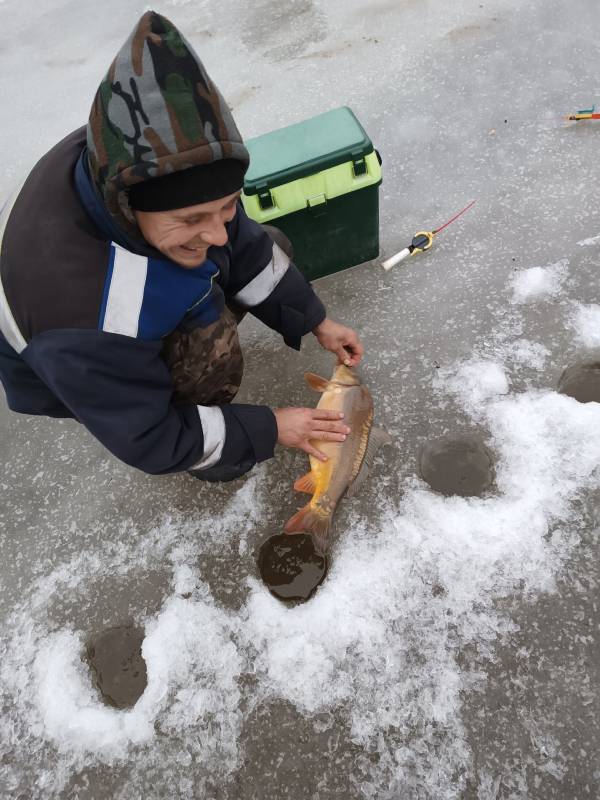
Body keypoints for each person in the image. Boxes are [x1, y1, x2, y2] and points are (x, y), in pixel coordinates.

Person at [0, 11, 363, 482]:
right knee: (209, 362)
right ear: (128, 205)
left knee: (269, 242)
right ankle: (214, 453)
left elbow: (243, 242)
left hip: (123, 298)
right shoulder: (86, 317)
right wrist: (268, 428)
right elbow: (150, 438)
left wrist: (318, 321)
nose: (216, 234)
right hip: (84, 362)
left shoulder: (129, 156)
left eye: (228, 205)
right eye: (191, 219)